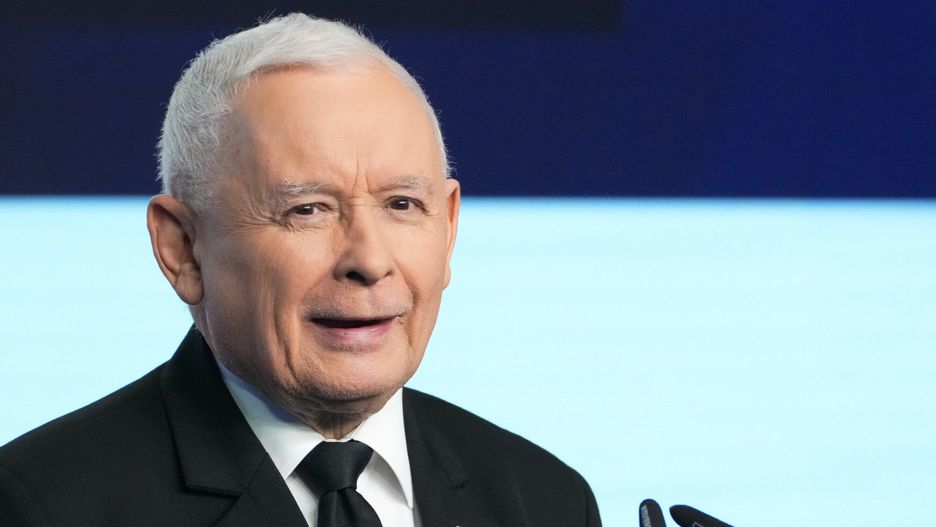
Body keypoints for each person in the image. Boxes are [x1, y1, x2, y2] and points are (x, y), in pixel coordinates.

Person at [0, 13, 601, 526]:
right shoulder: (43, 505)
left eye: (401, 205)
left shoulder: (546, 500)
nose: (370, 261)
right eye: (307, 210)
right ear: (182, 247)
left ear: (448, 229)